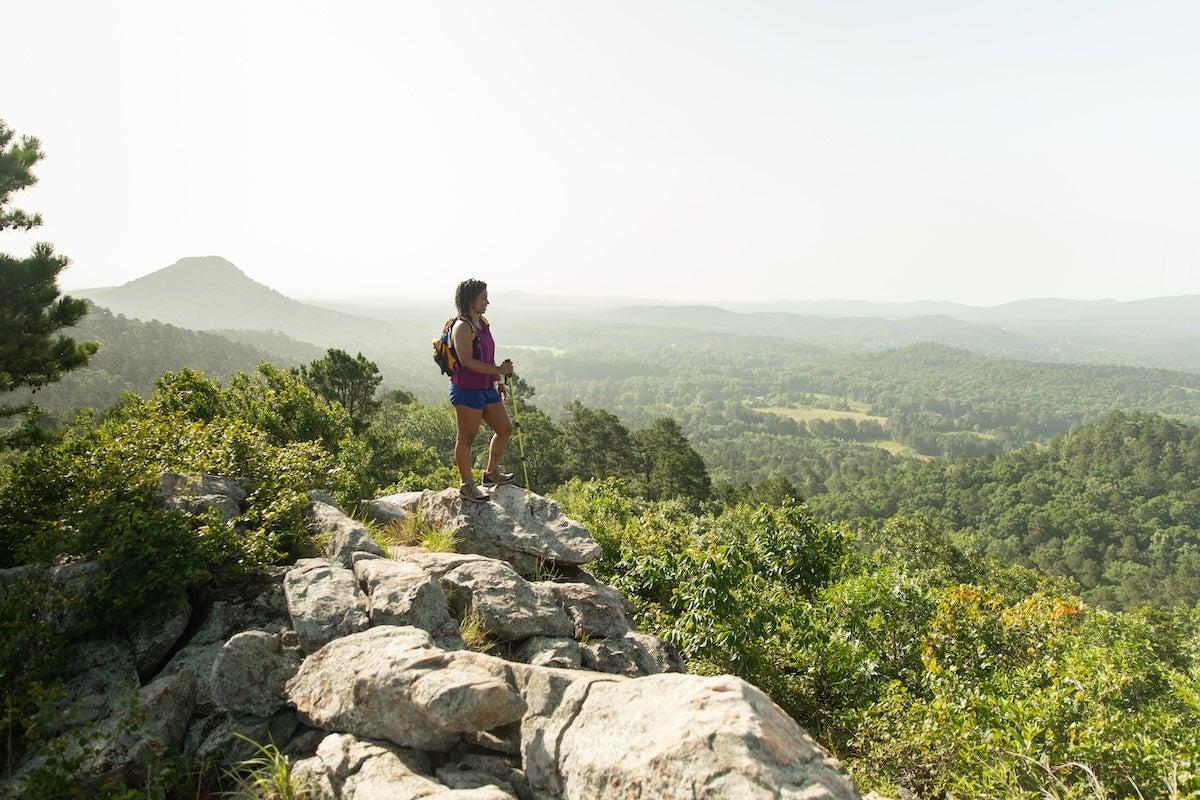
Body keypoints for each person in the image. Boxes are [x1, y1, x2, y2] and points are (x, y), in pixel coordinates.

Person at [448, 279, 516, 503]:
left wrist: (497, 379)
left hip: (486, 387)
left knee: (505, 428)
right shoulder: (462, 327)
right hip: (467, 389)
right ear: (470, 300)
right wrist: (499, 369)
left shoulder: (483, 324)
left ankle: (490, 473)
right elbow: (466, 361)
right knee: (466, 437)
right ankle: (467, 485)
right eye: (482, 297)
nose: (487, 301)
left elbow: (487, 356)